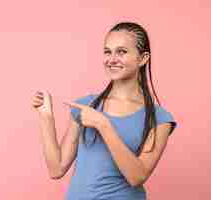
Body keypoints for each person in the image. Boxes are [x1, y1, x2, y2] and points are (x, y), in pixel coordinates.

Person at [31, 21, 177, 200]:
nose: (112, 59)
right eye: (108, 51)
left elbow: (136, 177)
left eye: (122, 52)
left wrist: (103, 125)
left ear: (143, 58)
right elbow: (56, 169)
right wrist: (45, 117)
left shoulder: (159, 118)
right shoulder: (87, 106)